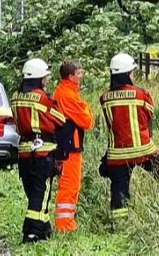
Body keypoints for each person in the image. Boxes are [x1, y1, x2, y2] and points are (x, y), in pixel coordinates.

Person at [99, 52, 159, 220]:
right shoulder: (141, 94)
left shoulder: (104, 98)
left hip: (117, 153)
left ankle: (120, 222)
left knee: (119, 190)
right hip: (143, 149)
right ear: (127, 73)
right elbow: (149, 114)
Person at [10, 58, 66, 243]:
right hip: (44, 151)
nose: (46, 81)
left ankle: (44, 229)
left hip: (24, 151)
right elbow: (60, 120)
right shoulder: (43, 98)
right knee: (41, 192)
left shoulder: (15, 96)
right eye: (45, 77)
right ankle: (31, 231)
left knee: (33, 192)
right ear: (40, 78)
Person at [52, 59, 94, 233]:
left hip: (66, 145)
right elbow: (87, 121)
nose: (81, 75)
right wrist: (85, 107)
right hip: (69, 147)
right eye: (79, 73)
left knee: (69, 185)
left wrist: (83, 107)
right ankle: (64, 226)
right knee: (69, 185)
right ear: (70, 76)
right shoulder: (67, 95)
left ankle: (66, 224)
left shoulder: (65, 92)